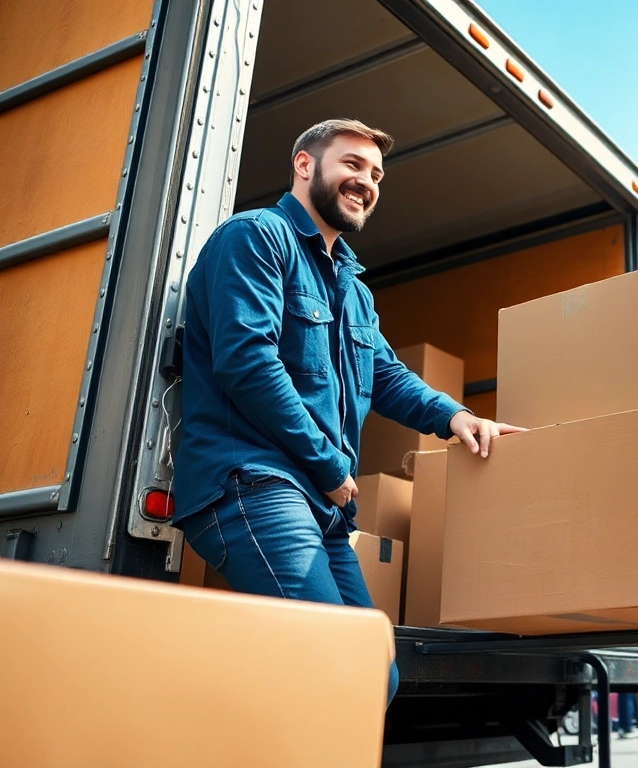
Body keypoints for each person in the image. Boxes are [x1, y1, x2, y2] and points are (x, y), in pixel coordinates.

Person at [174, 119, 522, 707]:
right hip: (252, 484)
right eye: (352, 165)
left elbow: (382, 374)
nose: (366, 181)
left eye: (377, 174)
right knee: (336, 668)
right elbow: (247, 363)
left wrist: (455, 417)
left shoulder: (353, 287)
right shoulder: (257, 238)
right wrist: (331, 468)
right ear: (304, 165)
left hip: (320, 504)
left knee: (372, 674)